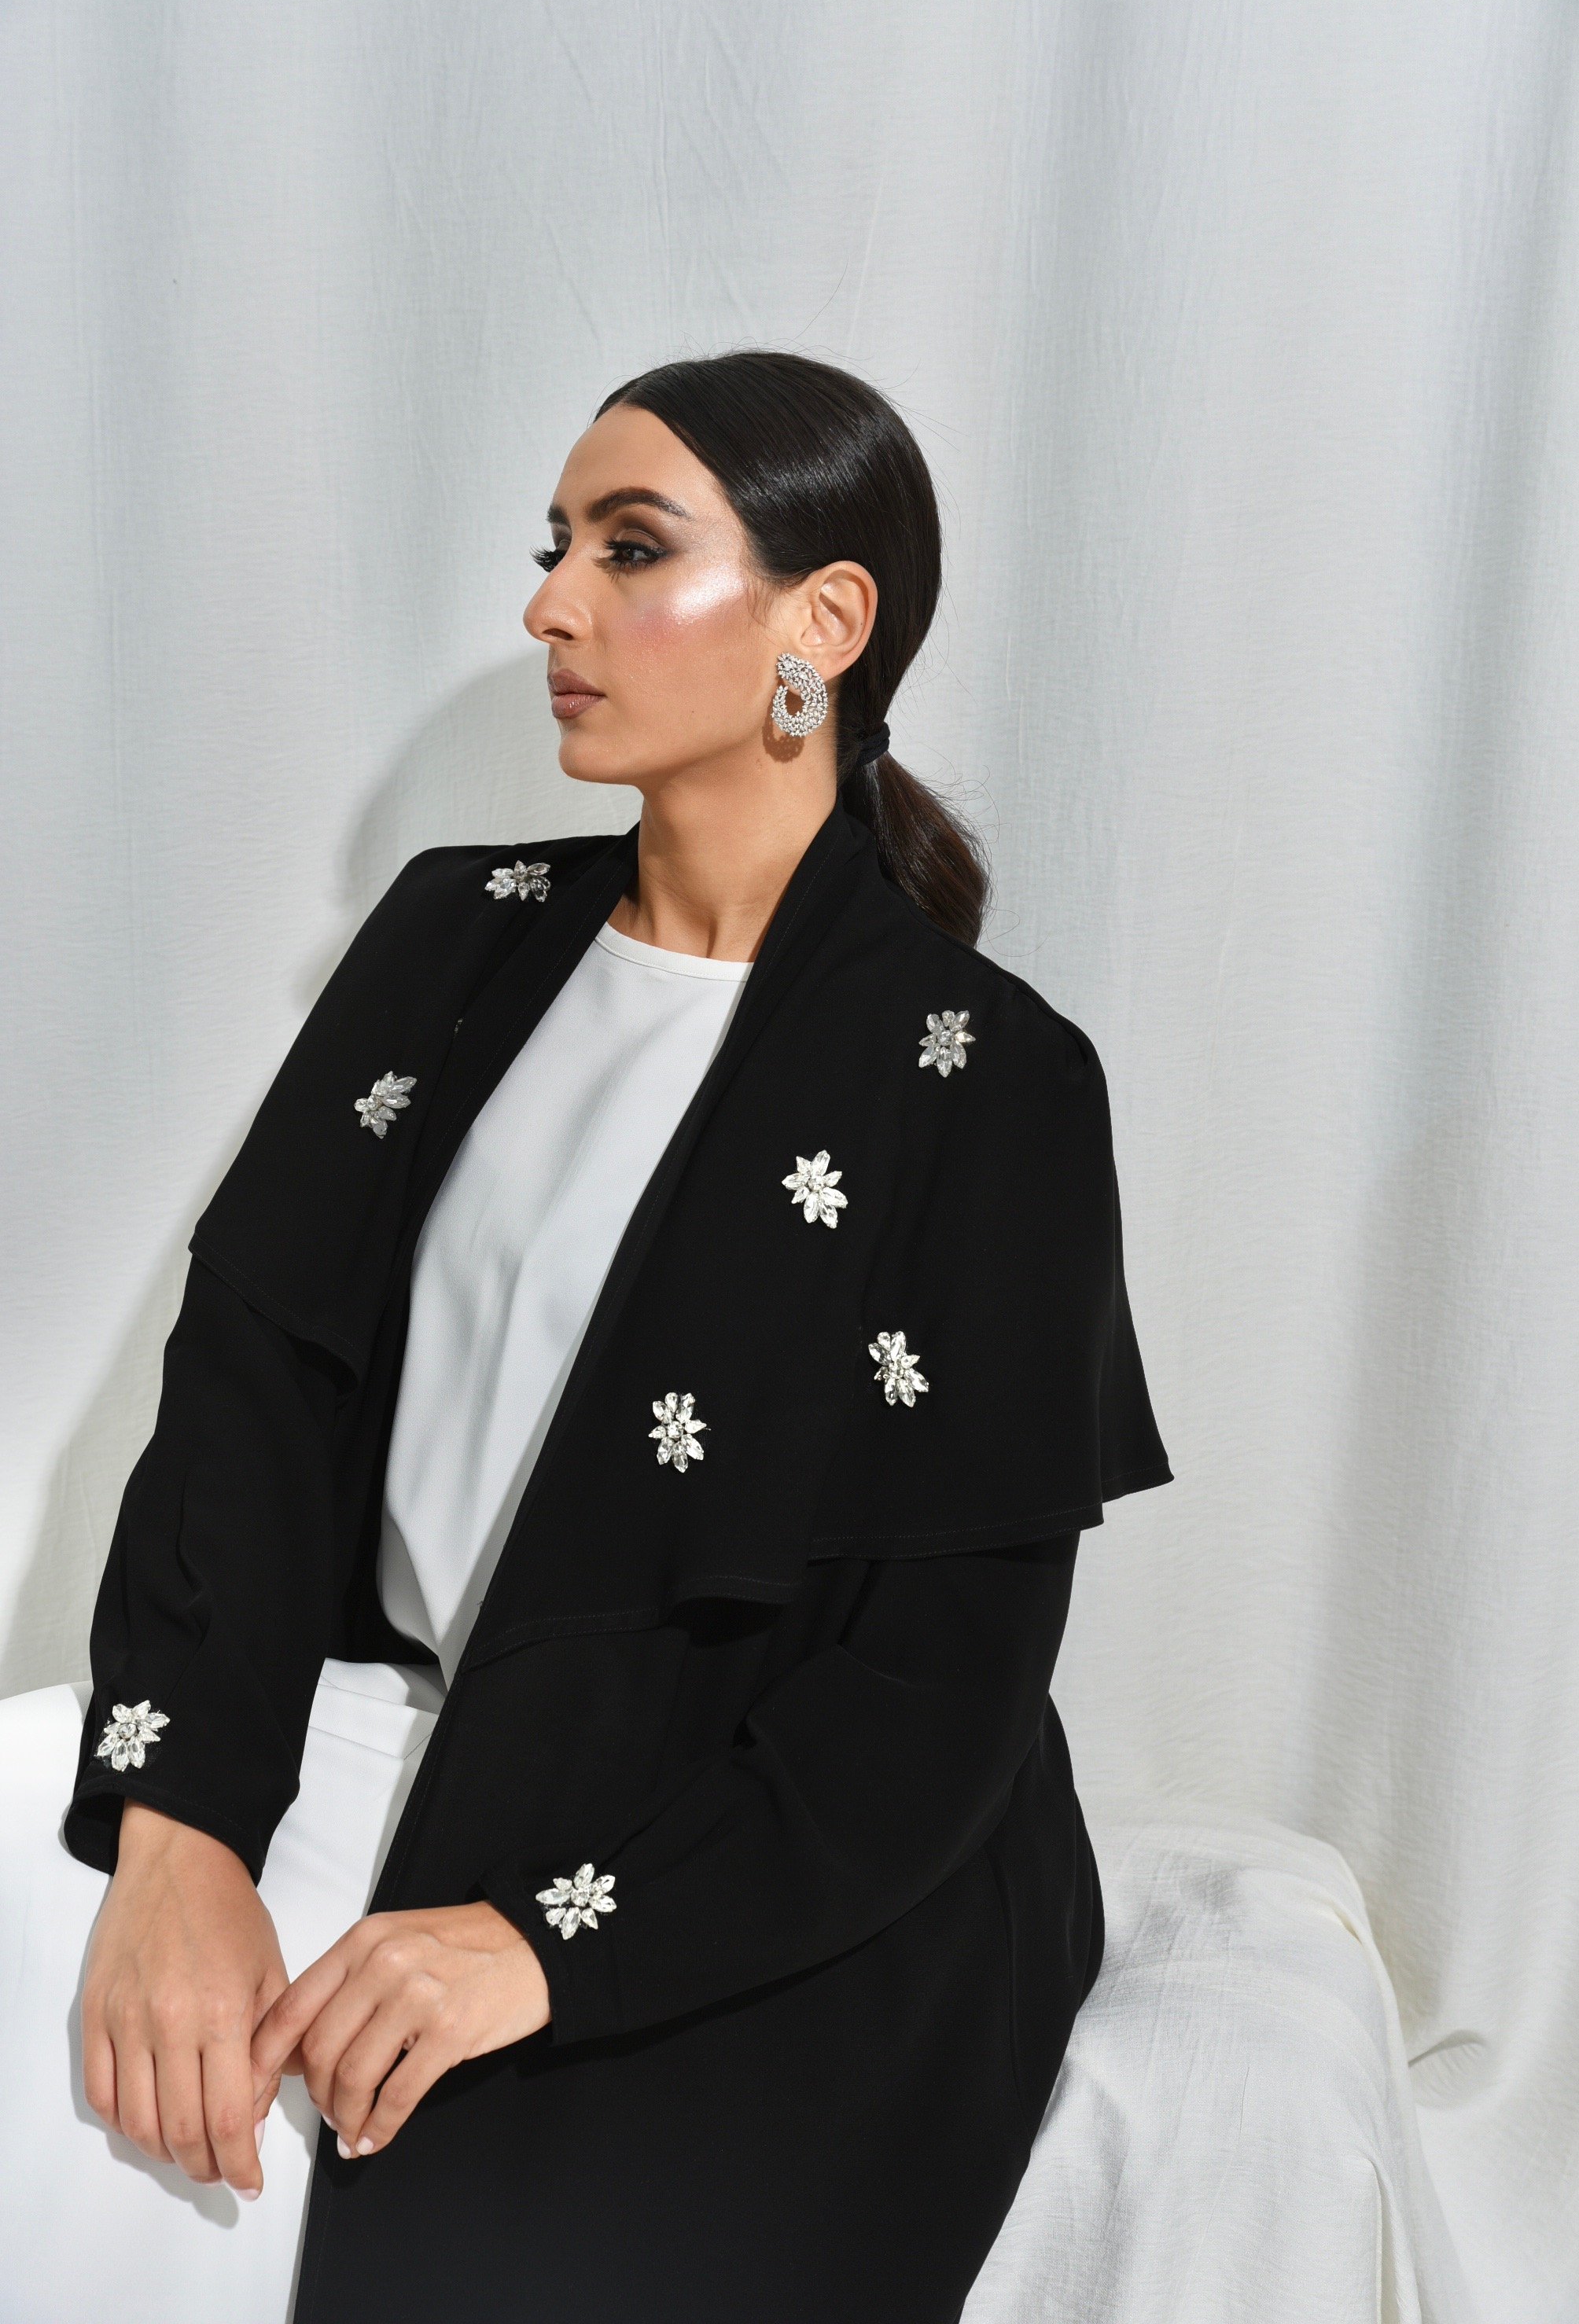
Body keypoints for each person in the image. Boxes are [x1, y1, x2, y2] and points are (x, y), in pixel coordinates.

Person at [0, 349, 1172, 2324]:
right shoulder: (452, 939)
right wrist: (182, 1824)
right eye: (554, 547)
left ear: (823, 623)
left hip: (786, 1852)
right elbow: (254, 1391)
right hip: (420, 1717)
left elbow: (939, 1677)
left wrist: (541, 1947)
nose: (549, 605)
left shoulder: (986, 1082)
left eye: (629, 549)